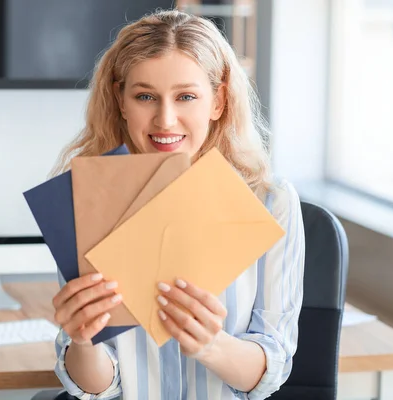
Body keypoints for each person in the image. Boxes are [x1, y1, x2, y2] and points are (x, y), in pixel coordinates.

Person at [50, 8, 305, 400]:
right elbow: (99, 386)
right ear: (120, 100)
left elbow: (271, 368)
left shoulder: (268, 200)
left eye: (186, 96)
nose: (165, 120)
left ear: (218, 101)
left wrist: (210, 345)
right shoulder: (89, 198)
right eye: (145, 96)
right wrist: (83, 342)